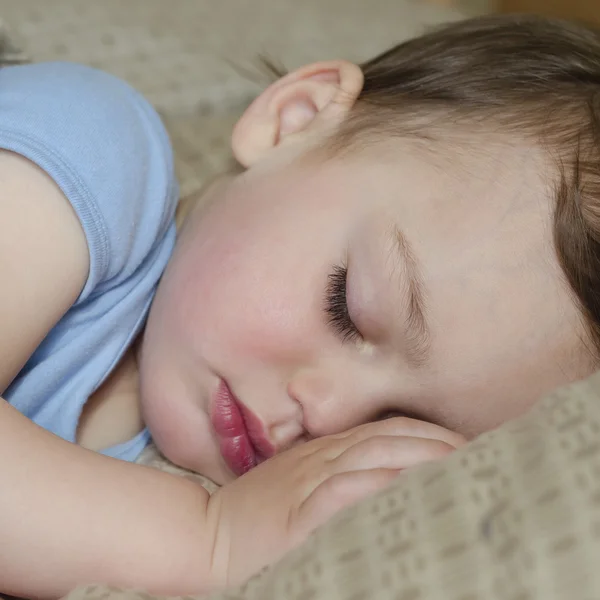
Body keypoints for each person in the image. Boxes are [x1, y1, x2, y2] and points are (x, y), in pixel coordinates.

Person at [2, 12, 599, 599]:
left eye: (396, 424)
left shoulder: (189, 477)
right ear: (295, 122)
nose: (329, 415)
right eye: (345, 308)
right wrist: (203, 545)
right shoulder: (89, 158)